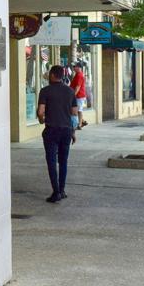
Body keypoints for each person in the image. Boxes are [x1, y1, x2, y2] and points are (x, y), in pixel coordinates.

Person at [36, 65, 80, 203]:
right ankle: (62, 190)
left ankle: (56, 192)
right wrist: (73, 132)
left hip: (51, 130)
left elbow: (40, 112)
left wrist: (42, 119)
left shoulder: (45, 91)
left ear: (53, 75)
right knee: (63, 162)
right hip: (66, 130)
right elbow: (74, 113)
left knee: (51, 161)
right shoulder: (70, 91)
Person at [70, 60, 89, 128]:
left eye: (74, 66)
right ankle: (82, 121)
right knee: (77, 110)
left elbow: (78, 87)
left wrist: (73, 95)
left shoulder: (79, 75)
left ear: (79, 67)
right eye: (73, 66)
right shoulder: (77, 74)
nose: (73, 68)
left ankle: (80, 124)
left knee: (79, 110)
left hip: (79, 96)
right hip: (78, 96)